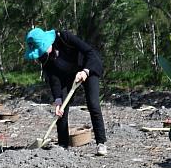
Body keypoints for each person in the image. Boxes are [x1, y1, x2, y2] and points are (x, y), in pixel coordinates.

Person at [25, 28, 108, 156]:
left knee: (93, 104)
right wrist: (57, 99)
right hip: (67, 76)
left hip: (88, 67)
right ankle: (63, 146)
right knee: (61, 109)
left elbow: (90, 52)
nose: (40, 55)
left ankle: (101, 143)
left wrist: (85, 71)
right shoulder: (44, 58)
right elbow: (54, 78)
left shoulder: (64, 37)